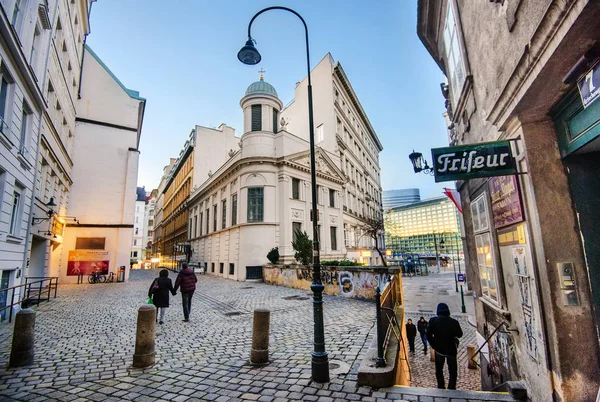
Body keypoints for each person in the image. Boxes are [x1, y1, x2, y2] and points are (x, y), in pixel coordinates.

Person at [426, 302, 463, 390]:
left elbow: (428, 334)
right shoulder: (453, 322)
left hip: (439, 349)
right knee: (453, 371)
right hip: (451, 350)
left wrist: (433, 344)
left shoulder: (433, 321)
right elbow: (460, 334)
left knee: (439, 369)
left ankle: (441, 386)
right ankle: (451, 387)